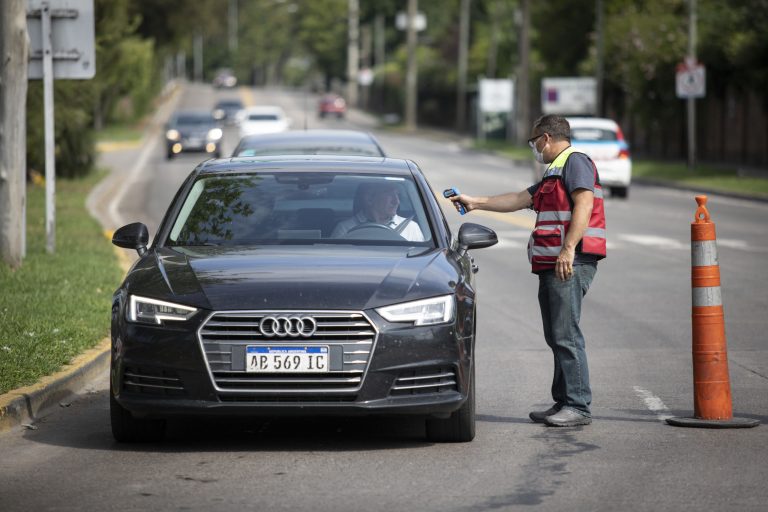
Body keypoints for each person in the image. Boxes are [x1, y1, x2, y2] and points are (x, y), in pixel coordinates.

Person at [449, 114, 606, 427]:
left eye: (534, 142)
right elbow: (520, 199)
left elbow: (584, 204)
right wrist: (475, 202)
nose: (534, 148)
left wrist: (568, 248)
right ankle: (563, 401)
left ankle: (577, 406)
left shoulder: (575, 162)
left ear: (545, 138)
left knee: (566, 334)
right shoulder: (554, 171)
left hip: (568, 262)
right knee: (555, 334)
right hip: (552, 263)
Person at [331, 181, 425, 242]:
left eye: (397, 194)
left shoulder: (411, 228)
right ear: (369, 199)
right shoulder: (345, 229)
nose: (396, 201)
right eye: (389, 194)